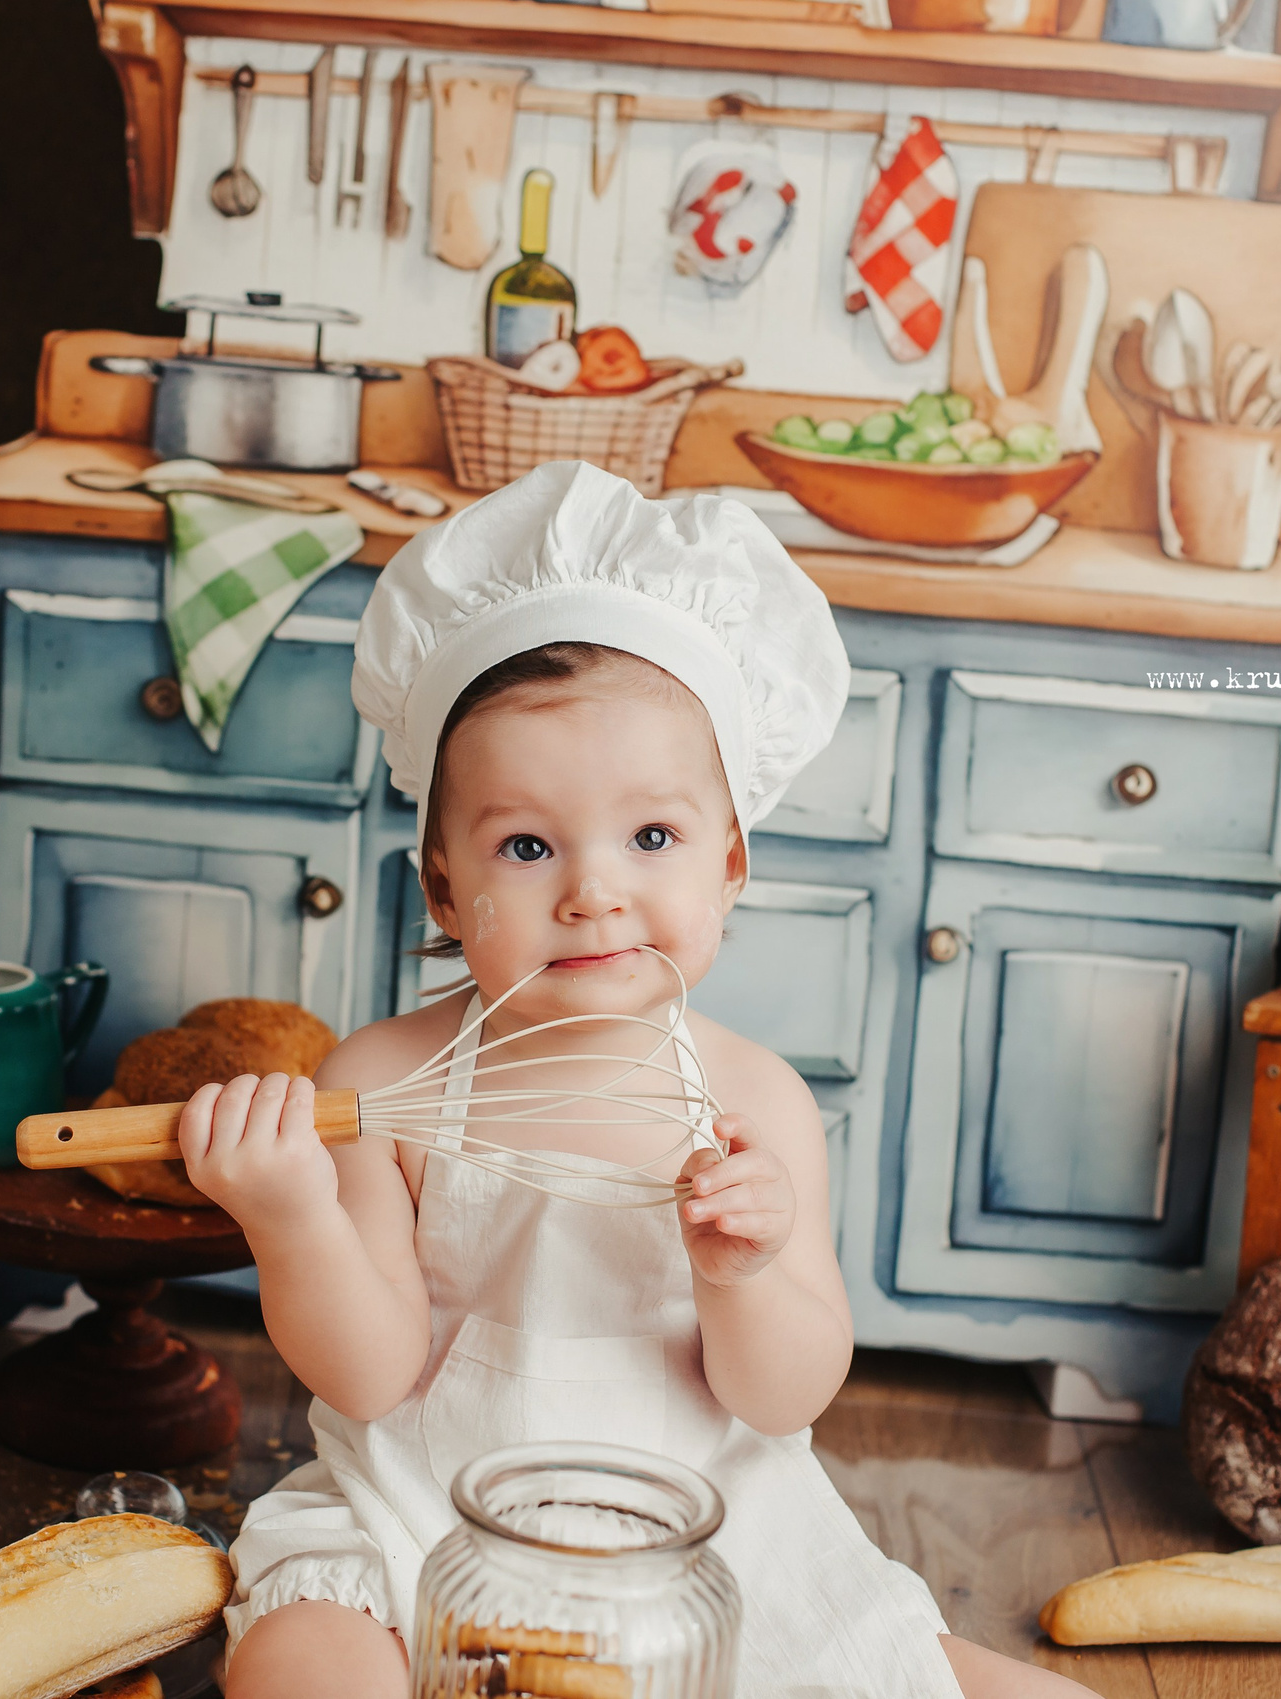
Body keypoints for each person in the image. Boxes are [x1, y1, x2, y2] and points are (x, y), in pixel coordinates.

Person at [178, 462, 1100, 1699]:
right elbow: (368, 1373)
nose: (592, 889)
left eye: (650, 838)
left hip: (702, 1547)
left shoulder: (751, 1102)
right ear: (445, 890)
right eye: (525, 844)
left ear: (730, 861)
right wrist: (286, 1216)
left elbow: (783, 1396)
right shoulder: (386, 1080)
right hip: (423, 1531)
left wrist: (749, 1273)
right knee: (301, 1666)